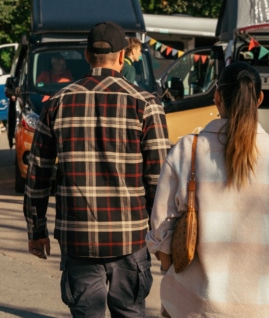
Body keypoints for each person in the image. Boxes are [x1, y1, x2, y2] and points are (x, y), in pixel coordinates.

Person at [24, 21, 171, 317]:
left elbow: (38, 175)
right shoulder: (146, 106)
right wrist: (163, 238)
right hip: (129, 239)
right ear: (121, 57)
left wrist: (36, 229)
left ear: (87, 56)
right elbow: (159, 181)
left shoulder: (56, 104)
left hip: (78, 239)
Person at [147, 62, 269, 317]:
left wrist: (174, 273)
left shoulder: (186, 151)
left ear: (217, 97)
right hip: (266, 308)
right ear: (259, 98)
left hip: (193, 305)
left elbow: (161, 227)